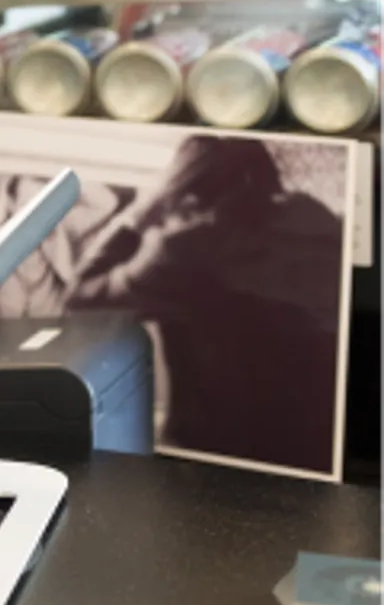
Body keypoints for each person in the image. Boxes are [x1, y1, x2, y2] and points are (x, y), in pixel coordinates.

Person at [68, 134, 345, 474]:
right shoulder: (317, 220)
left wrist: (138, 214)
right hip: (311, 447)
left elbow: (79, 300)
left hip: (212, 451)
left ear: (185, 185)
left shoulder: (181, 251)